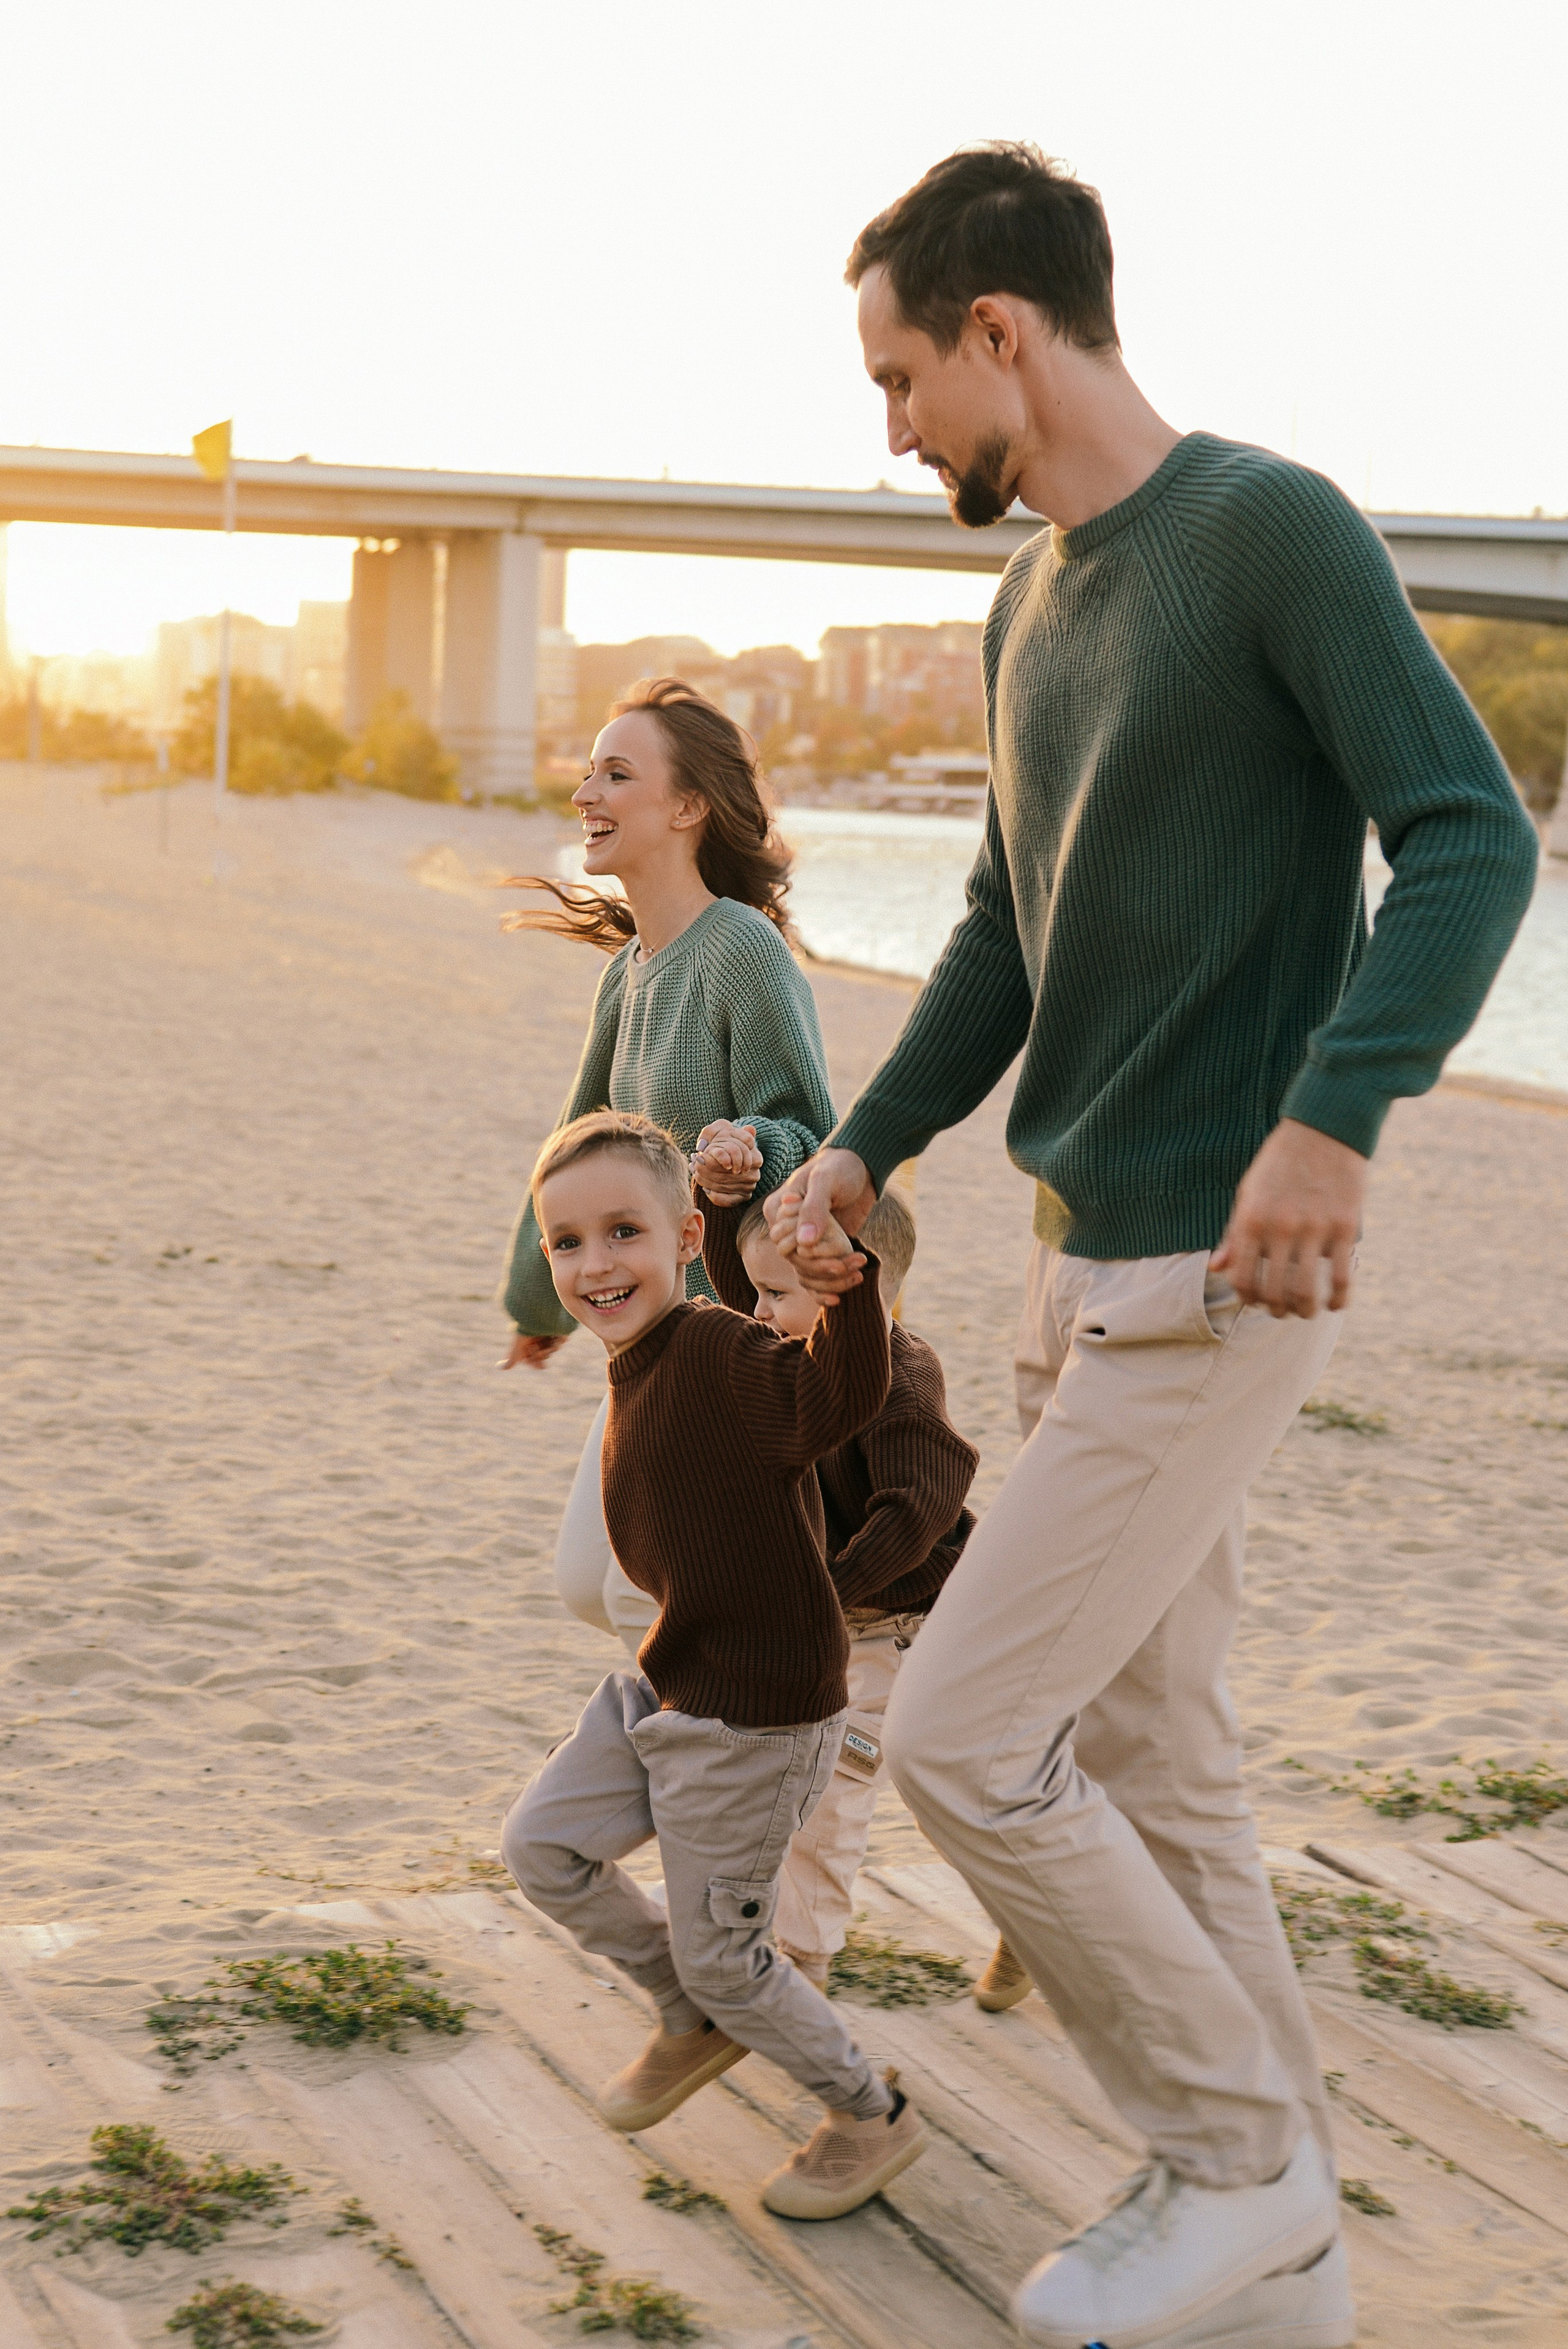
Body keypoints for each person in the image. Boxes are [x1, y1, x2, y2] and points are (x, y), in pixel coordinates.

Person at [766, 143, 1539, 2349]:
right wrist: (866, 1145)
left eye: (904, 375)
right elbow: (1010, 934)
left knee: (973, 1730)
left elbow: (1471, 837)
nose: (892, 426)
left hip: (1223, 1266)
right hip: (1067, 1251)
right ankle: (1280, 2245)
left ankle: (1229, 2160)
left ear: (1003, 328)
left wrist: (1335, 1113)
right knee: (1154, 1751)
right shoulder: (1032, 607)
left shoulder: (1266, 529)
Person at [500, 1109, 928, 2220]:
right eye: (568, 1243)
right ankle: (688, 2012)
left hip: (757, 1716)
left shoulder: (719, 1350)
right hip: (673, 1677)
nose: (596, 1265)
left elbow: (836, 1397)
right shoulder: (638, 1359)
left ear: (687, 1238)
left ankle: (870, 2112)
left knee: (734, 1955)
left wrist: (848, 1293)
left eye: (624, 1233)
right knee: (543, 1848)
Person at [497, 677, 835, 1655]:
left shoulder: (742, 949)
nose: (585, 795)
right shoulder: (630, 970)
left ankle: (721, 1769)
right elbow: (578, 1148)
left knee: (649, 1600)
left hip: (730, 1346)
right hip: (647, 1341)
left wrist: (749, 1152)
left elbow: (812, 1130)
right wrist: (537, 1304)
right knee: (585, 1585)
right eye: (587, 772)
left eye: (616, 773)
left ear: (687, 808)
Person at [703, 1183, 979, 1991]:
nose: (755, 1312)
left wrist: (825, 1590)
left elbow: (918, 1510)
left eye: (776, 1295)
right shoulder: (798, 1349)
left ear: (849, 1289)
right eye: (757, 1292)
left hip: (896, 1624)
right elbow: (735, 1284)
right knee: (771, 1771)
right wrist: (719, 1207)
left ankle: (805, 1961)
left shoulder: (903, 1379)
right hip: (827, 1616)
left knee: (835, 1790)